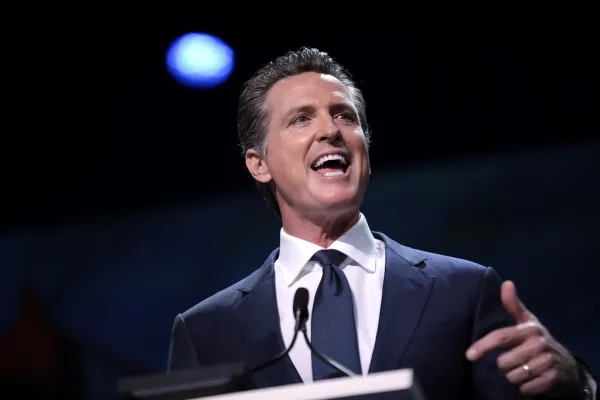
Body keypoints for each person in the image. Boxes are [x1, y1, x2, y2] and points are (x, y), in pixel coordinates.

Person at [167, 47, 595, 399]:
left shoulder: (463, 290)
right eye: (301, 119)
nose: (330, 130)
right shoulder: (206, 331)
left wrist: (576, 385)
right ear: (259, 164)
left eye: (344, 115)